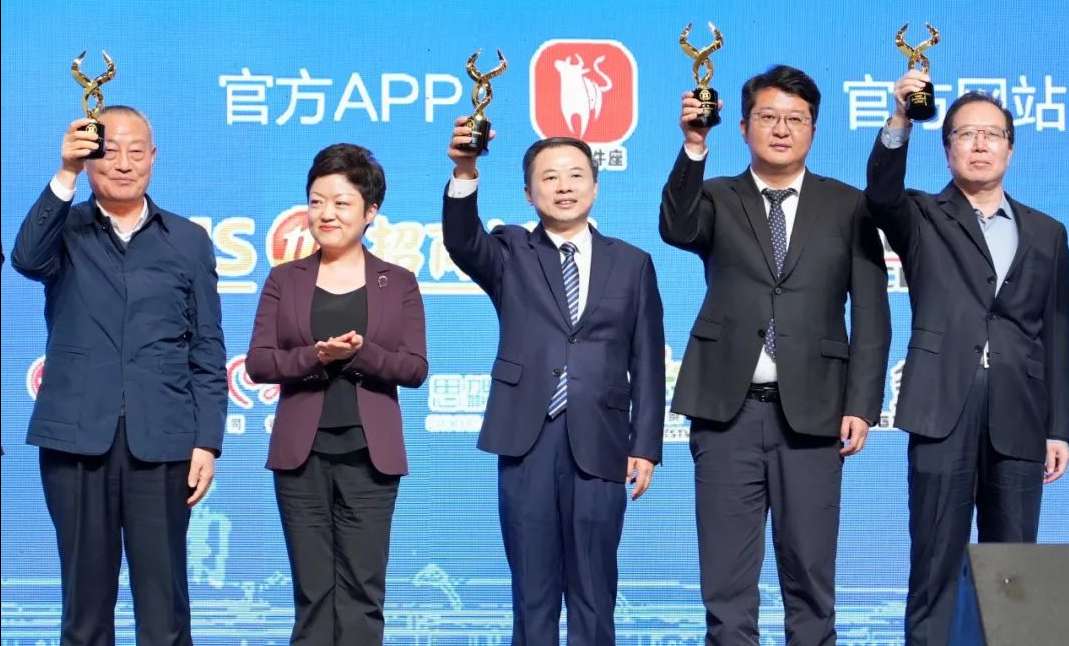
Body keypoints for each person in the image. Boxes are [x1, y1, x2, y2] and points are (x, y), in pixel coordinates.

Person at [660, 65, 891, 645]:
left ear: (814, 128)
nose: (782, 129)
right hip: (726, 412)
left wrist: (862, 404)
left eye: (796, 119)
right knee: (726, 584)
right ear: (743, 127)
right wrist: (693, 145)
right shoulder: (716, 196)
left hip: (815, 414)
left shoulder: (849, 205)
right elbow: (676, 227)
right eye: (768, 117)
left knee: (810, 579)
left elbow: (871, 311)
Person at [866, 73, 1069, 646]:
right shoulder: (921, 214)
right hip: (941, 408)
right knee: (935, 563)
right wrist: (900, 118)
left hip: (1020, 415)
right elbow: (880, 193)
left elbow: (1056, 333)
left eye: (992, 134)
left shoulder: (1047, 232)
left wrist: (1059, 427)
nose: (980, 144)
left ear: (1011, 148)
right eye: (966, 134)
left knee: (1015, 570)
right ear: (947, 147)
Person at [11, 106, 226, 644]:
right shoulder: (64, 230)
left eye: (136, 152)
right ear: (89, 159)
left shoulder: (188, 240)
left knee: (164, 607)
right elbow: (26, 259)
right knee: (84, 608)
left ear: (154, 157)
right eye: (109, 152)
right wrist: (65, 172)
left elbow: (206, 346)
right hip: (76, 440)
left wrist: (207, 440)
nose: (124, 164)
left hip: (164, 441)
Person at [442, 126, 665, 645]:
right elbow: (462, 240)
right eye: (549, 177)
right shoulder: (510, 252)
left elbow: (647, 361)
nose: (564, 186)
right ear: (528, 193)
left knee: (594, 592)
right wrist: (465, 171)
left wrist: (645, 445)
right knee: (533, 595)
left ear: (595, 186)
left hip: (602, 442)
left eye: (575, 175)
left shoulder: (632, 263)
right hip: (528, 438)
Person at [246, 143, 428, 645]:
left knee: (362, 592)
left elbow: (415, 368)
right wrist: (316, 356)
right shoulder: (285, 280)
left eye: (342, 203)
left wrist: (362, 354)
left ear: (370, 211)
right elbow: (259, 362)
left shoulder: (398, 282)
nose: (326, 213)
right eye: (317, 201)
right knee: (312, 593)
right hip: (301, 457)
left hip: (370, 457)